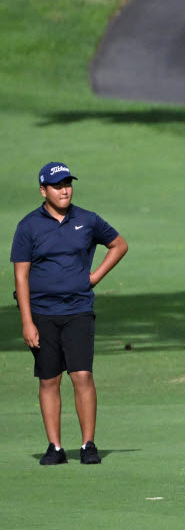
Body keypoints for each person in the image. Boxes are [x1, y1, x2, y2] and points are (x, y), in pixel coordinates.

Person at [11, 162, 128, 465]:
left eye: (67, 184)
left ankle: (88, 444)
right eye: (57, 185)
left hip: (78, 310)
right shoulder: (28, 226)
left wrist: (95, 277)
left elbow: (118, 244)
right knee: (49, 380)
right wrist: (27, 321)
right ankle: (56, 447)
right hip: (42, 313)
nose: (64, 190)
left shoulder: (86, 220)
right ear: (43, 190)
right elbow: (21, 276)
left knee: (82, 375)